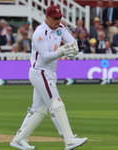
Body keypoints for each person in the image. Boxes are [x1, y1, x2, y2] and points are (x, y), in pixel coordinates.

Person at [10, 5, 87, 150]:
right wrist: (62, 52)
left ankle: (19, 139)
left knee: (38, 109)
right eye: (55, 18)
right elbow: (45, 57)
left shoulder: (60, 28)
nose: (58, 20)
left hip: (50, 73)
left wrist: (73, 47)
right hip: (40, 72)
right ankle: (69, 139)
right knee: (56, 104)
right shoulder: (40, 32)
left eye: (60, 18)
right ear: (47, 17)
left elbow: (71, 40)